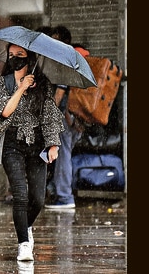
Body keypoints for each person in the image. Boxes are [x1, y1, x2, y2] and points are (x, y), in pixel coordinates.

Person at [0, 42, 64, 261]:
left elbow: (50, 114)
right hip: (13, 143)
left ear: (29, 58)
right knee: (19, 193)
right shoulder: (3, 83)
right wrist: (20, 88)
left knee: (37, 198)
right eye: (11, 55)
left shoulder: (43, 84)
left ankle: (25, 226)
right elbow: (5, 112)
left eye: (20, 54)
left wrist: (53, 144)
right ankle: (24, 244)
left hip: (37, 144)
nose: (15, 58)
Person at [45, 25, 90, 209]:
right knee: (65, 155)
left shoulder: (66, 59)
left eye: (55, 39)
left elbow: (60, 92)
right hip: (78, 116)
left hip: (66, 116)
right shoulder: (78, 58)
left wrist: (50, 114)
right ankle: (60, 191)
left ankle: (64, 197)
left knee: (62, 154)